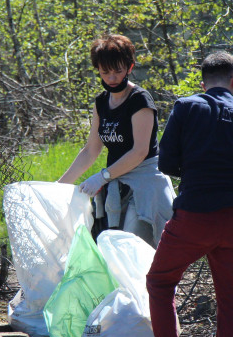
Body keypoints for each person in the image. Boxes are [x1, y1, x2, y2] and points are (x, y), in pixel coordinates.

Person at [126, 51, 233, 337]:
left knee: (160, 282)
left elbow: (167, 162)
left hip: (193, 217)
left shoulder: (186, 107)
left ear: (202, 83)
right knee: (230, 300)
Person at [58, 34, 175, 247]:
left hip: (144, 185)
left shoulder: (139, 100)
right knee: (111, 250)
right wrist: (59, 186)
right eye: (105, 72)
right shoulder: (101, 102)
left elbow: (139, 152)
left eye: (118, 71)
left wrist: (102, 177)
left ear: (129, 67)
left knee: (134, 249)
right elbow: (90, 151)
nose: (111, 78)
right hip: (116, 183)